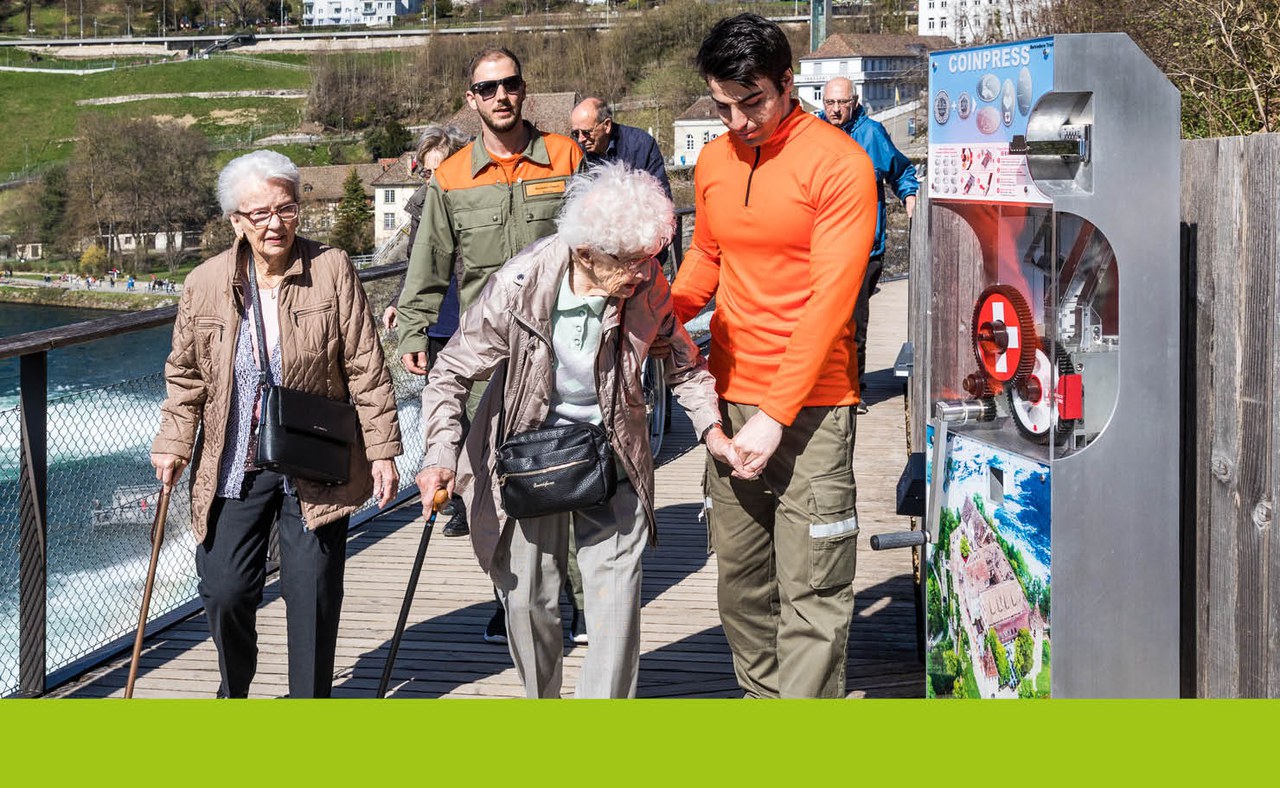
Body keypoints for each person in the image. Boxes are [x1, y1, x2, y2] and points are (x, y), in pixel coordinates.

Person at [416, 162, 735, 698]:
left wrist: (712, 431)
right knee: (527, 599)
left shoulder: (645, 285)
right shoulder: (520, 285)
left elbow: (685, 364)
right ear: (585, 252)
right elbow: (449, 373)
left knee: (616, 601)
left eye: (648, 258)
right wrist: (439, 455)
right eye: (627, 261)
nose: (641, 273)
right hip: (529, 452)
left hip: (614, 447)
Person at [670, 13, 878, 698]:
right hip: (729, 397)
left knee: (813, 589)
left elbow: (831, 301)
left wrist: (776, 414)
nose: (738, 122)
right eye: (722, 106)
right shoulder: (714, 160)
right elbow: (708, 255)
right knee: (741, 584)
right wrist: (662, 316)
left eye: (752, 101)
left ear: (789, 83)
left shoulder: (841, 164)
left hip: (813, 407)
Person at [150, 149, 402, 699]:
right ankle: (234, 691)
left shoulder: (331, 268)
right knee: (224, 591)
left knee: (311, 595)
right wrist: (173, 442)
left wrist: (382, 450)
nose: (275, 224)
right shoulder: (204, 282)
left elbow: (365, 363)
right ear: (236, 221)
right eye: (259, 213)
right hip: (234, 460)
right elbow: (186, 375)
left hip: (314, 459)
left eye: (285, 209)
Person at [396, 46, 584, 646]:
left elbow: (598, 241)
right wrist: (414, 329)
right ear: (471, 99)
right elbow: (430, 263)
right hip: (489, 354)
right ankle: (511, 597)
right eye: (487, 88)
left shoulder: (565, 157)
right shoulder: (452, 178)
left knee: (571, 469)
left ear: (523, 90)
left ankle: (575, 600)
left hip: (563, 344)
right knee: (493, 480)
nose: (501, 96)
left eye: (510, 84)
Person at [381, 123, 473, 539]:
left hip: (473, 320)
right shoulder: (422, 205)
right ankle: (460, 502)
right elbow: (416, 264)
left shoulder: (474, 198)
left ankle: (483, 497)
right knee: (446, 415)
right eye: (427, 172)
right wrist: (399, 303)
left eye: (441, 170)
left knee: (478, 415)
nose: (433, 179)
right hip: (438, 322)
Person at [819, 76, 919, 409]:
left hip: (864, 247)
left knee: (854, 322)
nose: (835, 109)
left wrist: (910, 196)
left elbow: (901, 171)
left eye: (842, 103)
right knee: (822, 319)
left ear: (855, 102)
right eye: (830, 102)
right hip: (822, 246)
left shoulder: (872, 134)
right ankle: (822, 385)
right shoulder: (812, 134)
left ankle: (853, 390)